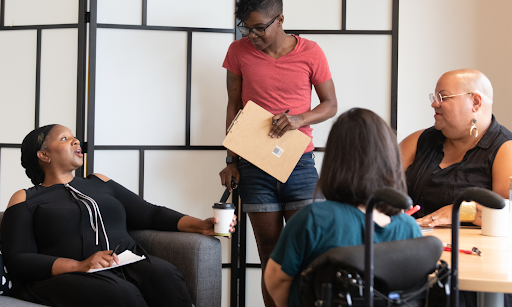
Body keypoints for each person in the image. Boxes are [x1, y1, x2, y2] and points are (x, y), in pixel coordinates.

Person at [1, 124, 237, 307]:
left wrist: (201, 226)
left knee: (165, 275)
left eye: (73, 136)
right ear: (43, 155)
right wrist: (79, 265)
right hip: (68, 275)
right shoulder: (25, 198)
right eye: (64, 138)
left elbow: (149, 213)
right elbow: (18, 259)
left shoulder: (99, 181)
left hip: (125, 261)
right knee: (121, 294)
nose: (75, 140)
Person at [218, 0, 337, 305]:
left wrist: (299, 119)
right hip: (254, 165)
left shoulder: (311, 52)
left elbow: (330, 105)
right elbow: (233, 106)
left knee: (308, 253)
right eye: (247, 28)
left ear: (280, 19)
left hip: (300, 164)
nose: (252, 35)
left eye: (259, 28)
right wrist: (231, 160)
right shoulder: (238, 51)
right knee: (270, 255)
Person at [264, 108, 422, 307]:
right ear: (391, 161)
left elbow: (275, 279)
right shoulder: (409, 227)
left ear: (335, 161)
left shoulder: (314, 219)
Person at [400, 69, 512, 227]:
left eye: (442, 97)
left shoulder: (506, 150)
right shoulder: (416, 141)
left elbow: (508, 213)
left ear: (475, 103)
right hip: (411, 244)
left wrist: (463, 211)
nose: (434, 104)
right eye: (434, 97)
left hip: (470, 249)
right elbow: (378, 187)